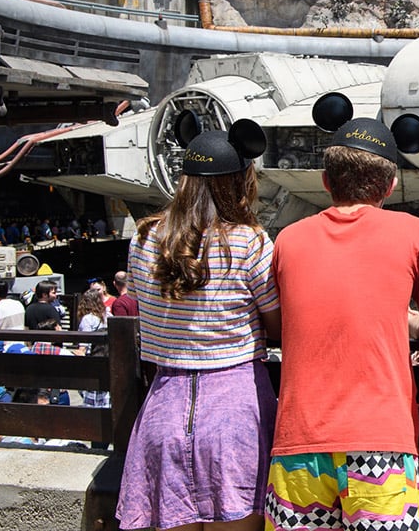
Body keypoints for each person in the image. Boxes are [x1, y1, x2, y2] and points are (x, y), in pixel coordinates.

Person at [265, 97, 419, 531]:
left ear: (326, 181)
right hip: (382, 441)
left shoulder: (288, 239)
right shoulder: (414, 232)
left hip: (299, 443)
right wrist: (407, 321)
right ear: (390, 184)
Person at [116, 116, 280, 531]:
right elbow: (277, 324)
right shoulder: (250, 240)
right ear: (238, 181)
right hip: (235, 412)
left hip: (164, 407)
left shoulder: (145, 238)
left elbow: (139, 302)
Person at [77, 285, 110, 409]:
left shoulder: (87, 319)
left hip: (93, 359)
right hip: (107, 357)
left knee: (91, 393)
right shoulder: (108, 315)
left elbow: (84, 345)